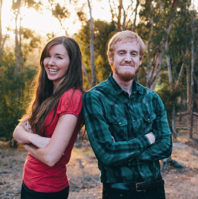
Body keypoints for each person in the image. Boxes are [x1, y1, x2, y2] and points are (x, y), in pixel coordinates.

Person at [83, 30, 172, 199]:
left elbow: (166, 146)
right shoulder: (95, 98)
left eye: (134, 54)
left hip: (155, 190)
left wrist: (122, 153)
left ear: (139, 60)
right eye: (122, 53)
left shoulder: (152, 98)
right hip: (118, 192)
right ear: (111, 58)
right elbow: (107, 153)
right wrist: (147, 139)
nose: (128, 58)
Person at [13, 36, 84, 199]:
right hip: (29, 183)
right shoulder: (48, 94)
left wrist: (27, 144)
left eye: (58, 57)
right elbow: (17, 131)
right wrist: (36, 139)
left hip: (48, 190)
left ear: (71, 63)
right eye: (48, 55)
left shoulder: (72, 97)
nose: (50, 62)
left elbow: (51, 157)